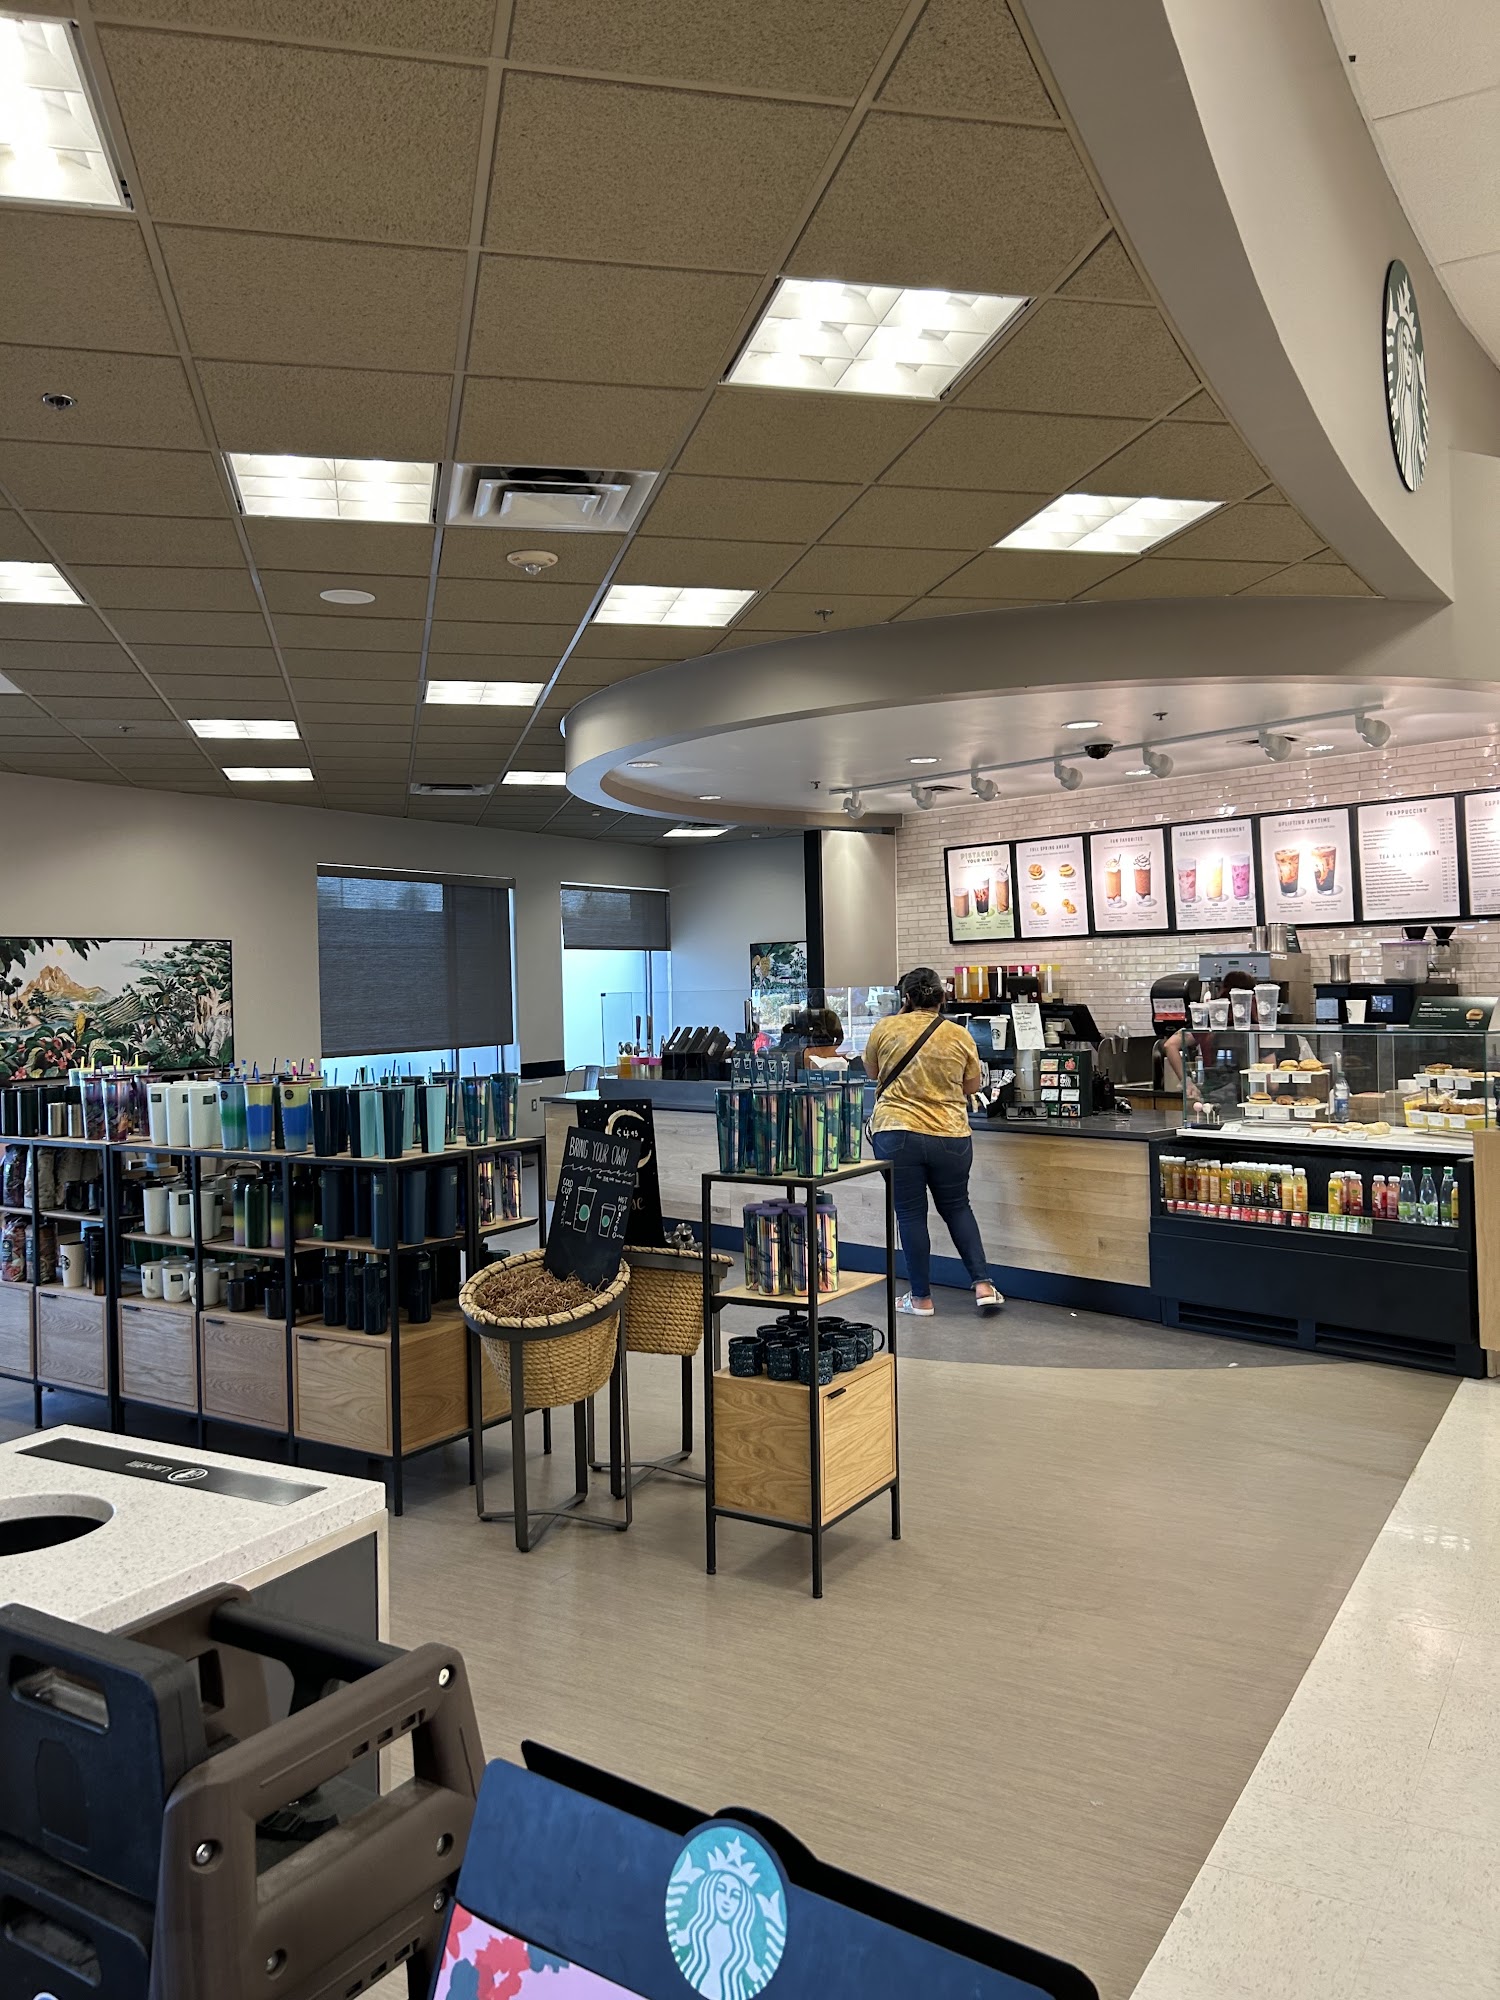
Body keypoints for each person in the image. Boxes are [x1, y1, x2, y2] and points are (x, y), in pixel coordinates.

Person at [864, 967, 1002, 1317]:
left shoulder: (885, 1028)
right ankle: (983, 1286)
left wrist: (899, 1019)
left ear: (906, 998)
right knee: (957, 1207)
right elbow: (972, 1086)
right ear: (942, 997)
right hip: (950, 1135)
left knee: (910, 1213)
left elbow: (873, 1073)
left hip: (897, 1131)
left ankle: (921, 1299)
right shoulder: (959, 1034)